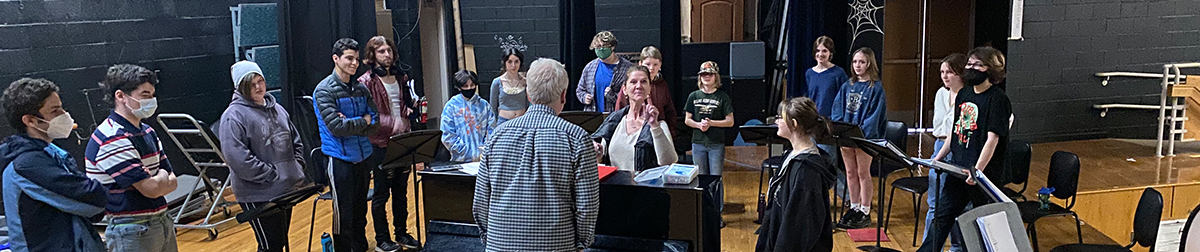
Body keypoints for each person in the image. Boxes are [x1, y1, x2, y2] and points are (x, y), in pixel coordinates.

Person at [473, 58, 600, 251]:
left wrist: (492, 237)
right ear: (564, 96)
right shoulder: (578, 139)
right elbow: (587, 206)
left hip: (499, 244)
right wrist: (582, 242)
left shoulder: (497, 136)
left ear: (528, 94)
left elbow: (481, 200)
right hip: (557, 245)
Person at [918, 47, 1011, 252]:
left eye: (977, 64)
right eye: (969, 64)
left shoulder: (998, 99)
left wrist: (977, 171)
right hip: (958, 169)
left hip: (983, 176)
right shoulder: (965, 94)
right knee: (941, 218)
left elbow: (992, 139)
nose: (971, 68)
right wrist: (939, 158)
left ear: (991, 69)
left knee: (982, 225)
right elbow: (955, 130)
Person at [0, 78, 107, 252]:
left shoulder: (50, 153)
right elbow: (93, 200)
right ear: (30, 121)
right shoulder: (27, 164)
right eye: (55, 111)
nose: (64, 114)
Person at [86, 64, 180, 252]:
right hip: (131, 228)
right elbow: (151, 189)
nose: (152, 101)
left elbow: (174, 181)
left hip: (161, 220)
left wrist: (157, 180)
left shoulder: (147, 131)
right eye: (145, 95)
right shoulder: (111, 137)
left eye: (153, 95)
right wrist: (160, 177)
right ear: (120, 96)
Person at [218, 61, 307, 252]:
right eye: (251, 84)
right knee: (269, 246)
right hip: (257, 193)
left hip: (285, 188)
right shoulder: (233, 116)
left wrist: (296, 166)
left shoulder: (279, 109)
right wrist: (271, 174)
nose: (258, 87)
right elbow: (237, 158)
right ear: (241, 87)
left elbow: (296, 141)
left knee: (279, 242)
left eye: (260, 81)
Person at [313, 38, 380, 252]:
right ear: (336, 59)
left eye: (357, 59)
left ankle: (360, 248)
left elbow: (376, 121)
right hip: (340, 159)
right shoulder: (324, 90)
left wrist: (352, 122)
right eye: (349, 58)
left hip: (363, 157)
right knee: (344, 213)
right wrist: (362, 121)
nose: (354, 63)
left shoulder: (361, 88)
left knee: (360, 210)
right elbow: (337, 128)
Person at [357, 36, 421, 252]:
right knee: (381, 194)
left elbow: (402, 105)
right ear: (372, 56)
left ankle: (401, 233)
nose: (387, 55)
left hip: (403, 141)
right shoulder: (366, 82)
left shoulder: (402, 78)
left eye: (389, 51)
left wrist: (409, 110)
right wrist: (391, 122)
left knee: (401, 192)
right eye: (381, 51)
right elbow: (366, 116)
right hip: (380, 143)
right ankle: (382, 239)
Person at [755, 97, 836, 252]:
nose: (776, 121)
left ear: (794, 123)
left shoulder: (807, 171)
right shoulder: (791, 155)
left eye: (780, 118)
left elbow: (801, 227)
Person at [832, 47, 887, 230]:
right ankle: (854, 206)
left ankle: (865, 209)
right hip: (847, 137)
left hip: (864, 138)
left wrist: (861, 134)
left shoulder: (876, 88)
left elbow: (874, 116)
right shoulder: (848, 85)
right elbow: (837, 109)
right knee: (850, 172)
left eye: (861, 62)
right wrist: (841, 129)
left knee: (863, 173)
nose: (857, 65)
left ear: (869, 63)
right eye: (855, 62)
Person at [592, 66, 678, 172]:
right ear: (624, 89)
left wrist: (654, 126)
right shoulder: (614, 121)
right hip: (614, 186)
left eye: (644, 82)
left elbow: (669, 162)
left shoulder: (659, 124)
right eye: (633, 82)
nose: (639, 86)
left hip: (644, 187)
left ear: (650, 88)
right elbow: (601, 160)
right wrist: (598, 156)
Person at [923, 53, 967, 251]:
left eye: (949, 72)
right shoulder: (941, 93)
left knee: (956, 206)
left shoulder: (969, 97)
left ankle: (957, 247)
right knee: (934, 203)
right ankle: (930, 247)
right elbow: (939, 126)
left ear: (960, 73)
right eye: (942, 72)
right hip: (940, 146)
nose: (945, 76)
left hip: (959, 150)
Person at [684, 61, 734, 220]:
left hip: (716, 143)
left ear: (716, 77)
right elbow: (687, 119)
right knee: (701, 177)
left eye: (710, 74)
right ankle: (702, 210)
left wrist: (712, 123)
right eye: (703, 74)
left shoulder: (722, 96)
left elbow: (730, 121)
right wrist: (699, 125)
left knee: (716, 177)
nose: (706, 77)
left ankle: (716, 212)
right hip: (698, 142)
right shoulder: (694, 95)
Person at [615, 46, 678, 136]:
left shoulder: (662, 84)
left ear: (660, 65)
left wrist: (671, 132)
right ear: (640, 64)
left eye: (655, 64)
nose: (651, 68)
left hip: (658, 130)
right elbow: (619, 109)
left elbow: (669, 111)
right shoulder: (630, 85)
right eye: (647, 64)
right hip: (635, 130)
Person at [804, 36, 849, 161]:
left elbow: (844, 98)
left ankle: (836, 181)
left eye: (824, 51)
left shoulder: (838, 73)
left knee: (828, 159)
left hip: (829, 122)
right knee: (812, 157)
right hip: (813, 121)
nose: (820, 54)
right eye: (818, 51)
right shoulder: (809, 73)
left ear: (830, 53)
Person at [440, 70, 494, 162]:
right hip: (460, 160)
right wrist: (462, 151)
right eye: (465, 86)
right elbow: (447, 134)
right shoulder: (451, 106)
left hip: (483, 159)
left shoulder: (484, 105)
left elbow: (492, 130)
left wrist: (485, 149)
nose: (469, 88)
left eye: (472, 85)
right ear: (459, 88)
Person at [575, 31, 635, 112]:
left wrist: (612, 96)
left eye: (604, 46)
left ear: (612, 47)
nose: (601, 49)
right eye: (598, 47)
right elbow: (580, 90)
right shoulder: (590, 67)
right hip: (593, 115)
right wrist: (584, 97)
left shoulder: (627, 68)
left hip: (615, 116)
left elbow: (632, 95)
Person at [489, 49, 529, 127]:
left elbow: (528, 104)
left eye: (516, 61)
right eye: (510, 62)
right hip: (504, 122)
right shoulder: (497, 82)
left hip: (522, 122)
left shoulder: (525, 82)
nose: (513, 65)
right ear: (505, 63)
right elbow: (493, 107)